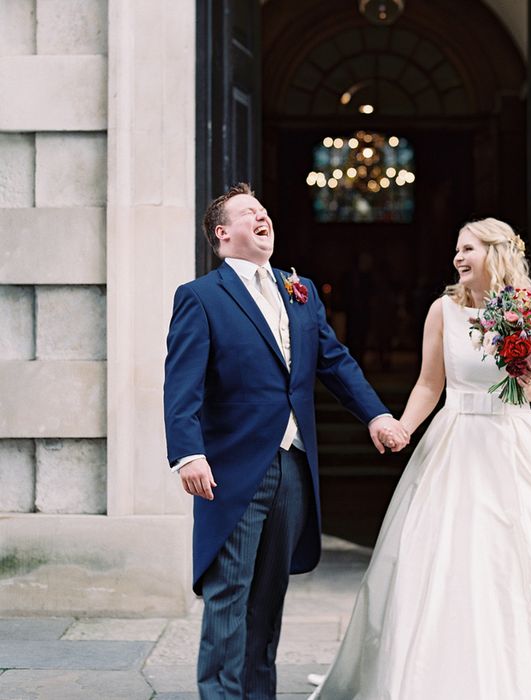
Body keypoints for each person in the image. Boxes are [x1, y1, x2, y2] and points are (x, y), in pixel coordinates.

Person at [309, 218, 531, 699]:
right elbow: (429, 383)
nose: (458, 257)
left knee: (524, 556)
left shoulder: (530, 313)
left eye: (468, 248)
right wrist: (404, 429)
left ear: (495, 253)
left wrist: (522, 373)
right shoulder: (443, 310)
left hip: (513, 440)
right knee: (443, 556)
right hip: (454, 442)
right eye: (456, 249)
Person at [163, 182, 409, 700]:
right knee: (228, 594)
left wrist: (376, 415)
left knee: (269, 597)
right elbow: (180, 385)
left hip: (293, 466)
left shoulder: (302, 291)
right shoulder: (201, 297)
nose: (262, 217)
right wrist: (188, 453)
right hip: (231, 467)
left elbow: (334, 361)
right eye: (249, 212)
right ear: (222, 233)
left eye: (265, 210)